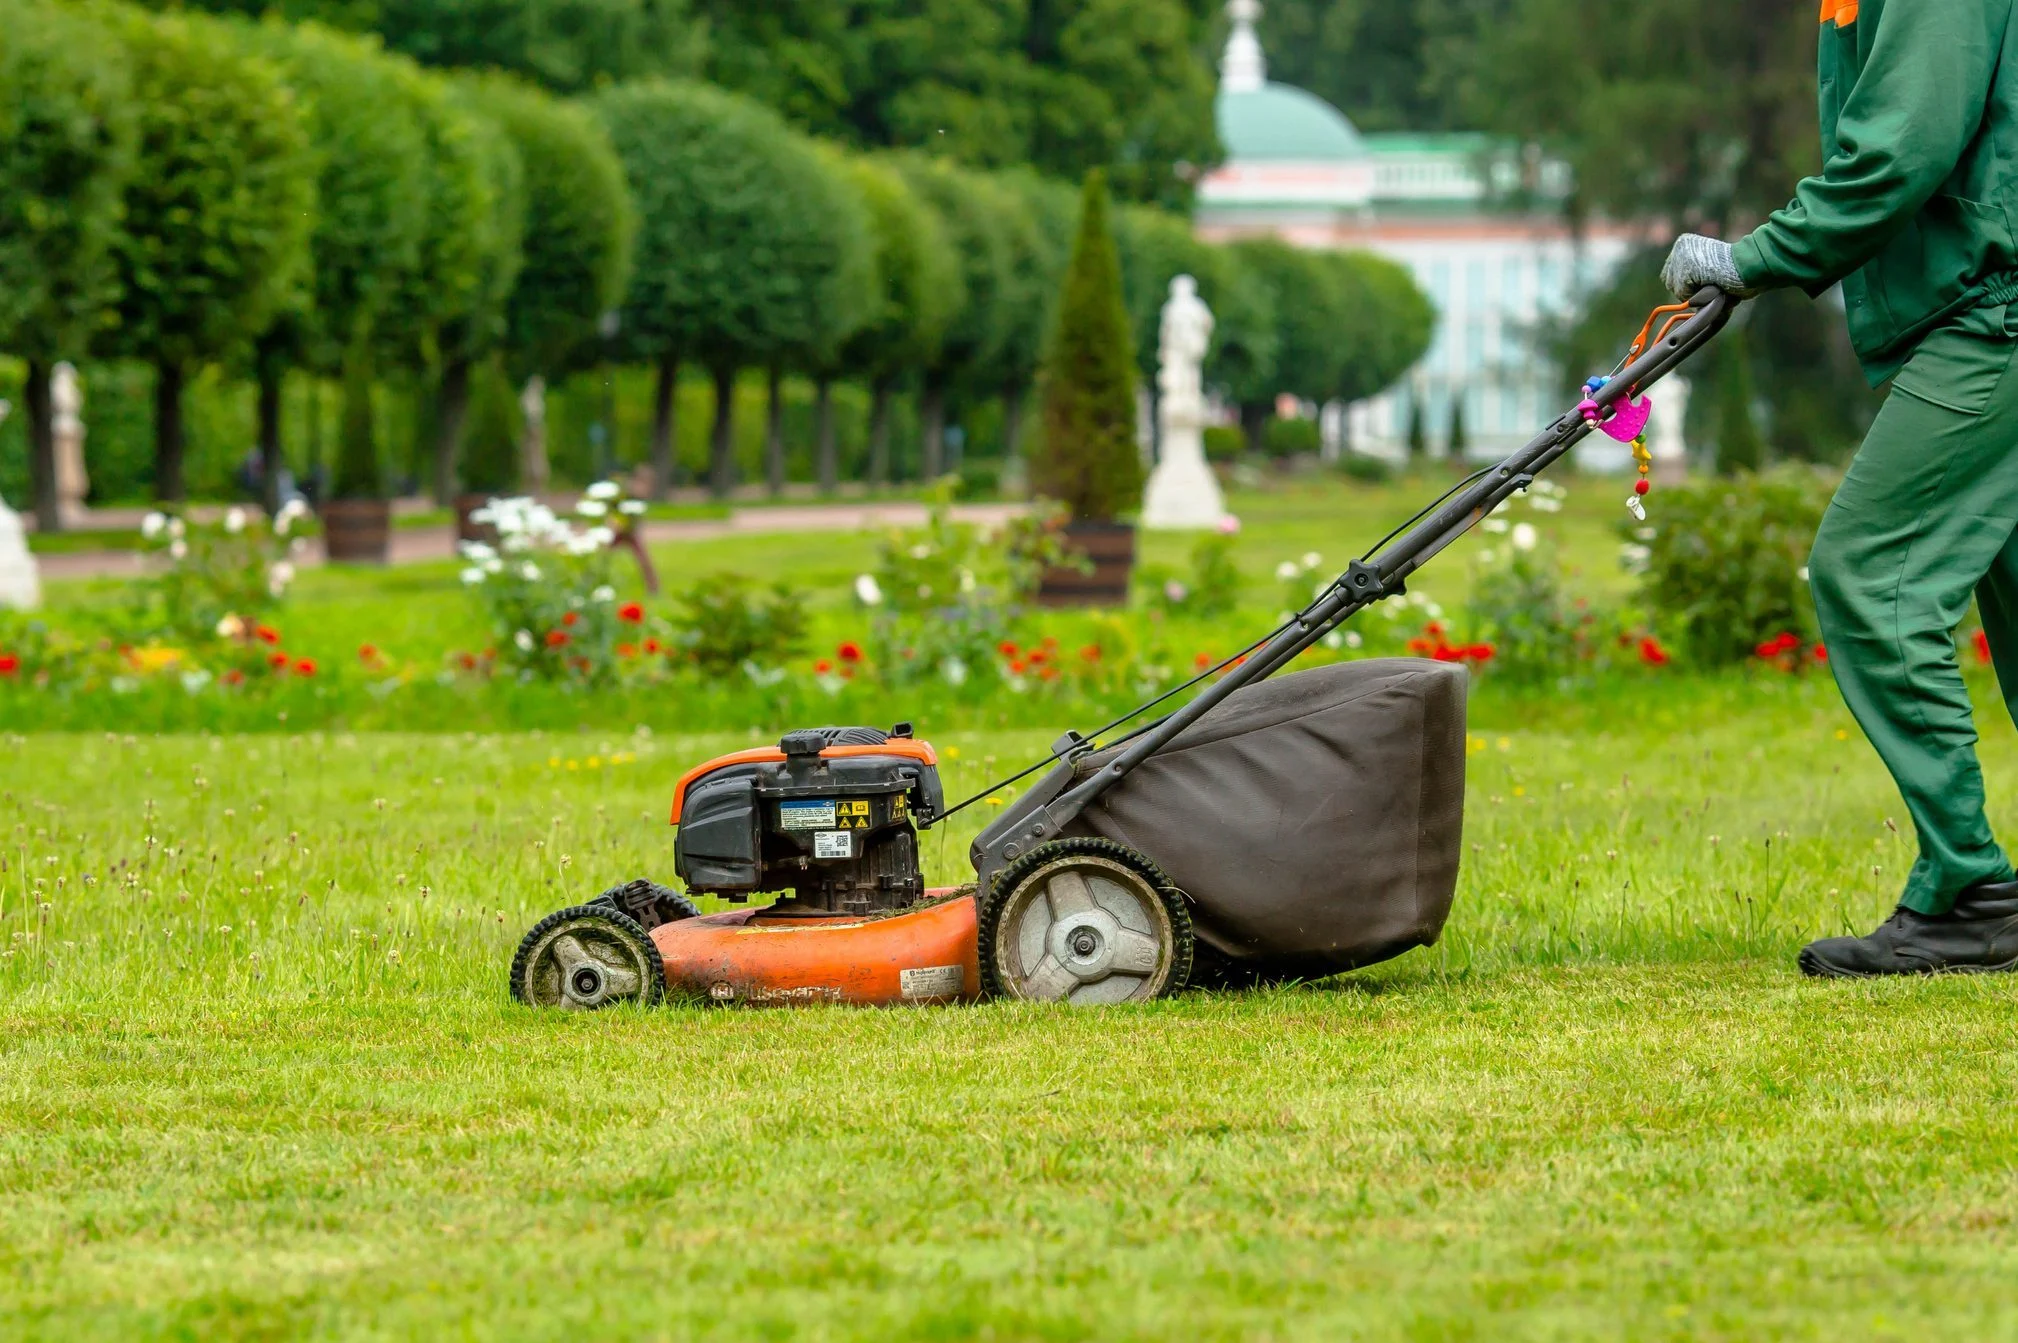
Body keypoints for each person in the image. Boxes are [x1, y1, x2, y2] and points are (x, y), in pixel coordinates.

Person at [1662, 0, 2018, 977]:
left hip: (1995, 313)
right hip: (1983, 302)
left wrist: (1752, 257)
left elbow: (1903, 146)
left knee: (1872, 572)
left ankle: (1971, 893)